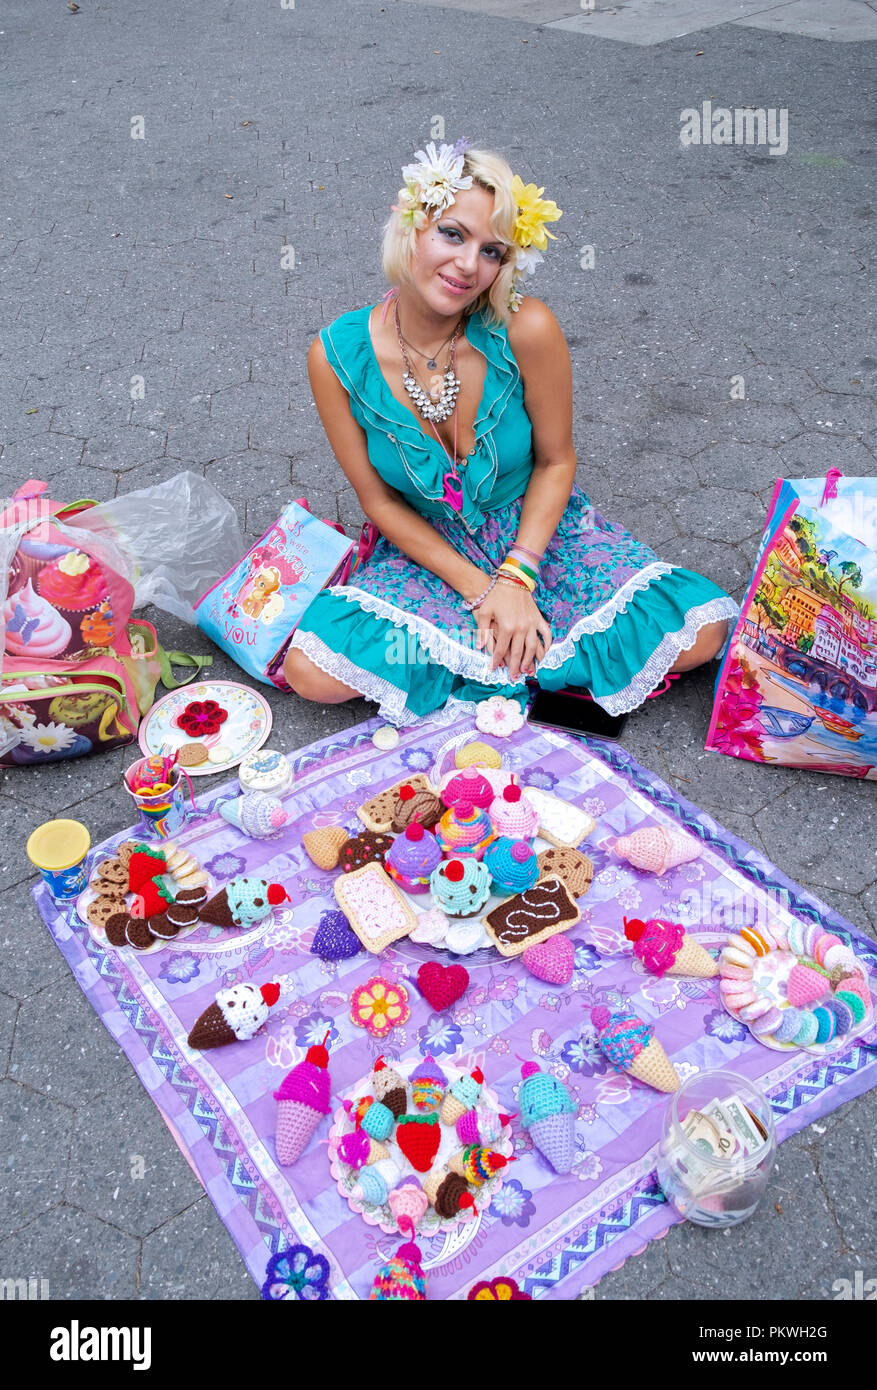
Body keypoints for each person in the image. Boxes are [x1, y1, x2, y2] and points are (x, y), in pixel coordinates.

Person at [283, 140, 737, 724]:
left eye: (492, 251)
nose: (469, 265)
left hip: (538, 535)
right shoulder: (335, 355)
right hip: (432, 552)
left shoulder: (527, 327)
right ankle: (539, 663)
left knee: (701, 630)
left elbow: (555, 462)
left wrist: (517, 575)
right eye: (452, 234)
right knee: (312, 673)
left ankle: (498, 666)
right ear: (411, 226)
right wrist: (483, 591)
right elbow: (377, 500)